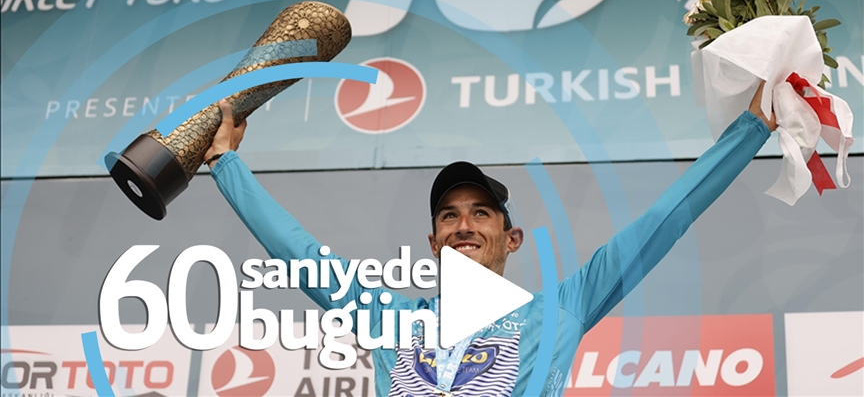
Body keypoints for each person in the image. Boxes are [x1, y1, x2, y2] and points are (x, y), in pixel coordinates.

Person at [204, 82, 776, 396]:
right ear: (434, 243)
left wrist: (752, 129)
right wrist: (226, 162)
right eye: (449, 217)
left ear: (512, 237)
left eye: (481, 213)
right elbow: (300, 252)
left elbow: (664, 219)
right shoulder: (388, 319)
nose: (464, 225)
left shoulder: (562, 309)